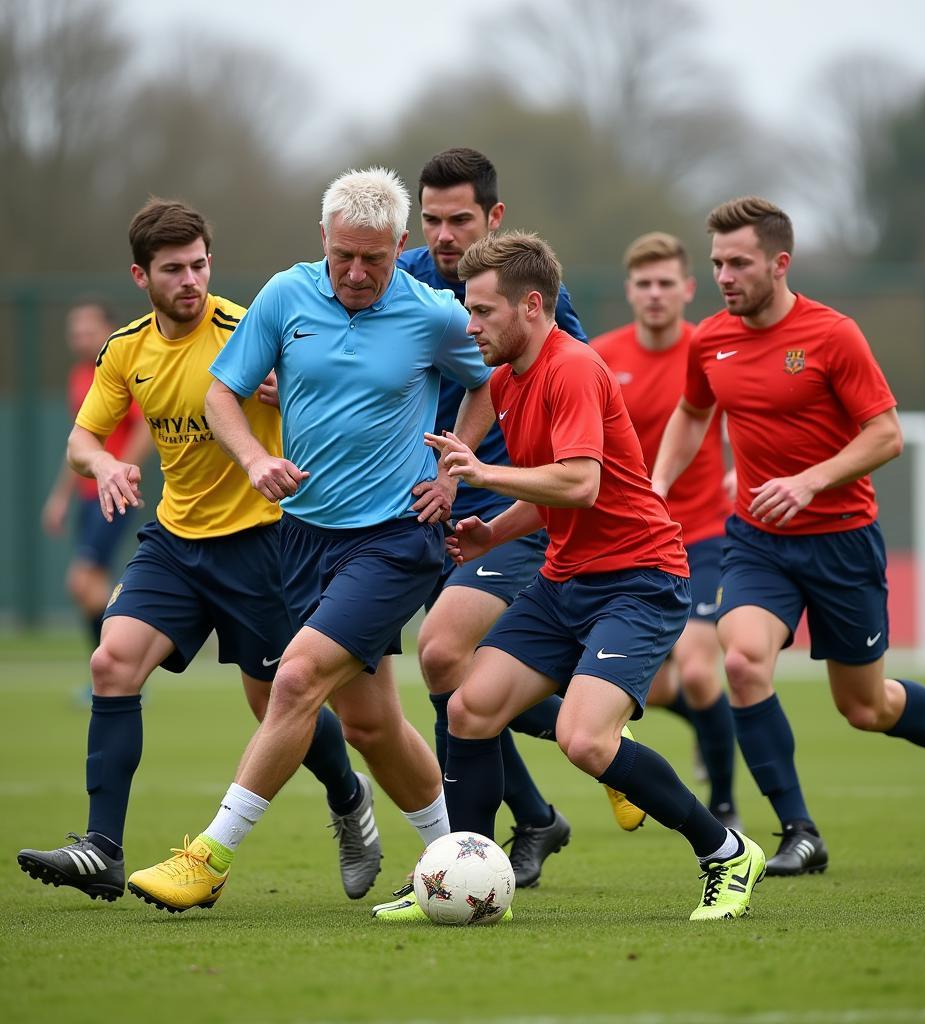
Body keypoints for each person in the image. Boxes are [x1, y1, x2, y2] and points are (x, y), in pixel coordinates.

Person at [126, 167, 494, 914]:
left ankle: (210, 856)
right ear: (321, 238)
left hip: (396, 538)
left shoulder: (434, 314)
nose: (357, 273)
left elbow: (487, 385)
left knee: (293, 682)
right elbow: (221, 392)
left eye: (376, 259)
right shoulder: (285, 295)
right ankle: (462, 862)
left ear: (400, 247)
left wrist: (455, 467)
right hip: (302, 539)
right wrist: (256, 458)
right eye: (344, 256)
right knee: (368, 723)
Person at [17, 199, 379, 903]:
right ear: (140, 275)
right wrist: (107, 466)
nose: (191, 279)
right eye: (173, 269)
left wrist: (292, 394)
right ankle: (103, 848)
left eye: (200, 265)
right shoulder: (124, 349)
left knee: (275, 706)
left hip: (266, 545)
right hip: (177, 541)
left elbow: (339, 399)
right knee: (110, 661)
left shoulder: (251, 330)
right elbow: (82, 439)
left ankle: (348, 796)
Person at [652, 196, 925, 875]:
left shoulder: (833, 336)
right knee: (741, 661)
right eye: (717, 264)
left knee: (865, 706)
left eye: (739, 263)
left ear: (780, 263)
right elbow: (692, 412)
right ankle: (799, 831)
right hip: (757, 539)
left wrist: (810, 480)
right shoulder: (710, 339)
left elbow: (887, 434)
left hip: (842, 540)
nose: (725, 277)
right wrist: (658, 484)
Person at [424, 230, 765, 922]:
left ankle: (726, 850)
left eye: (483, 310)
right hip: (565, 579)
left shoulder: (572, 366)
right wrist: (494, 529)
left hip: (638, 579)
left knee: (585, 740)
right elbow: (550, 498)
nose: (470, 324)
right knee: (469, 707)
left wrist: (482, 473)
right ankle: (468, 882)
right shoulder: (506, 380)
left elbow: (580, 482)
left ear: (530, 306)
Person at [373, 148, 636, 908]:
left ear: (494, 216)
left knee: (445, 652)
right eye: (433, 219)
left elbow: (525, 382)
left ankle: (574, 772)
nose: (445, 234)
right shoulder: (406, 272)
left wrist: (463, 474)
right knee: (447, 684)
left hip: (511, 507)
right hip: (425, 508)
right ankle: (535, 815)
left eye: (462, 218)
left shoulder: (528, 298)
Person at [591, 231, 740, 829]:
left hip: (702, 531)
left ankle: (725, 806)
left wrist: (742, 473)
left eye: (665, 283)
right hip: (628, 541)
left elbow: (751, 413)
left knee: (700, 671)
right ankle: (707, 727)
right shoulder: (601, 355)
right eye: (643, 284)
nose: (654, 294)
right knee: (639, 687)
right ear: (630, 290)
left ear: (687, 289)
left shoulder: (712, 348)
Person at [41, 299, 150, 667]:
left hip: (111, 494)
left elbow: (146, 428)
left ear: (108, 330)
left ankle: (118, 664)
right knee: (92, 588)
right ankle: (110, 671)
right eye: (75, 332)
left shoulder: (121, 370)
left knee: (82, 581)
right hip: (88, 496)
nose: (80, 338)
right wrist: (59, 498)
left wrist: (121, 474)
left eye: (88, 330)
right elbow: (81, 442)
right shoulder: (79, 376)